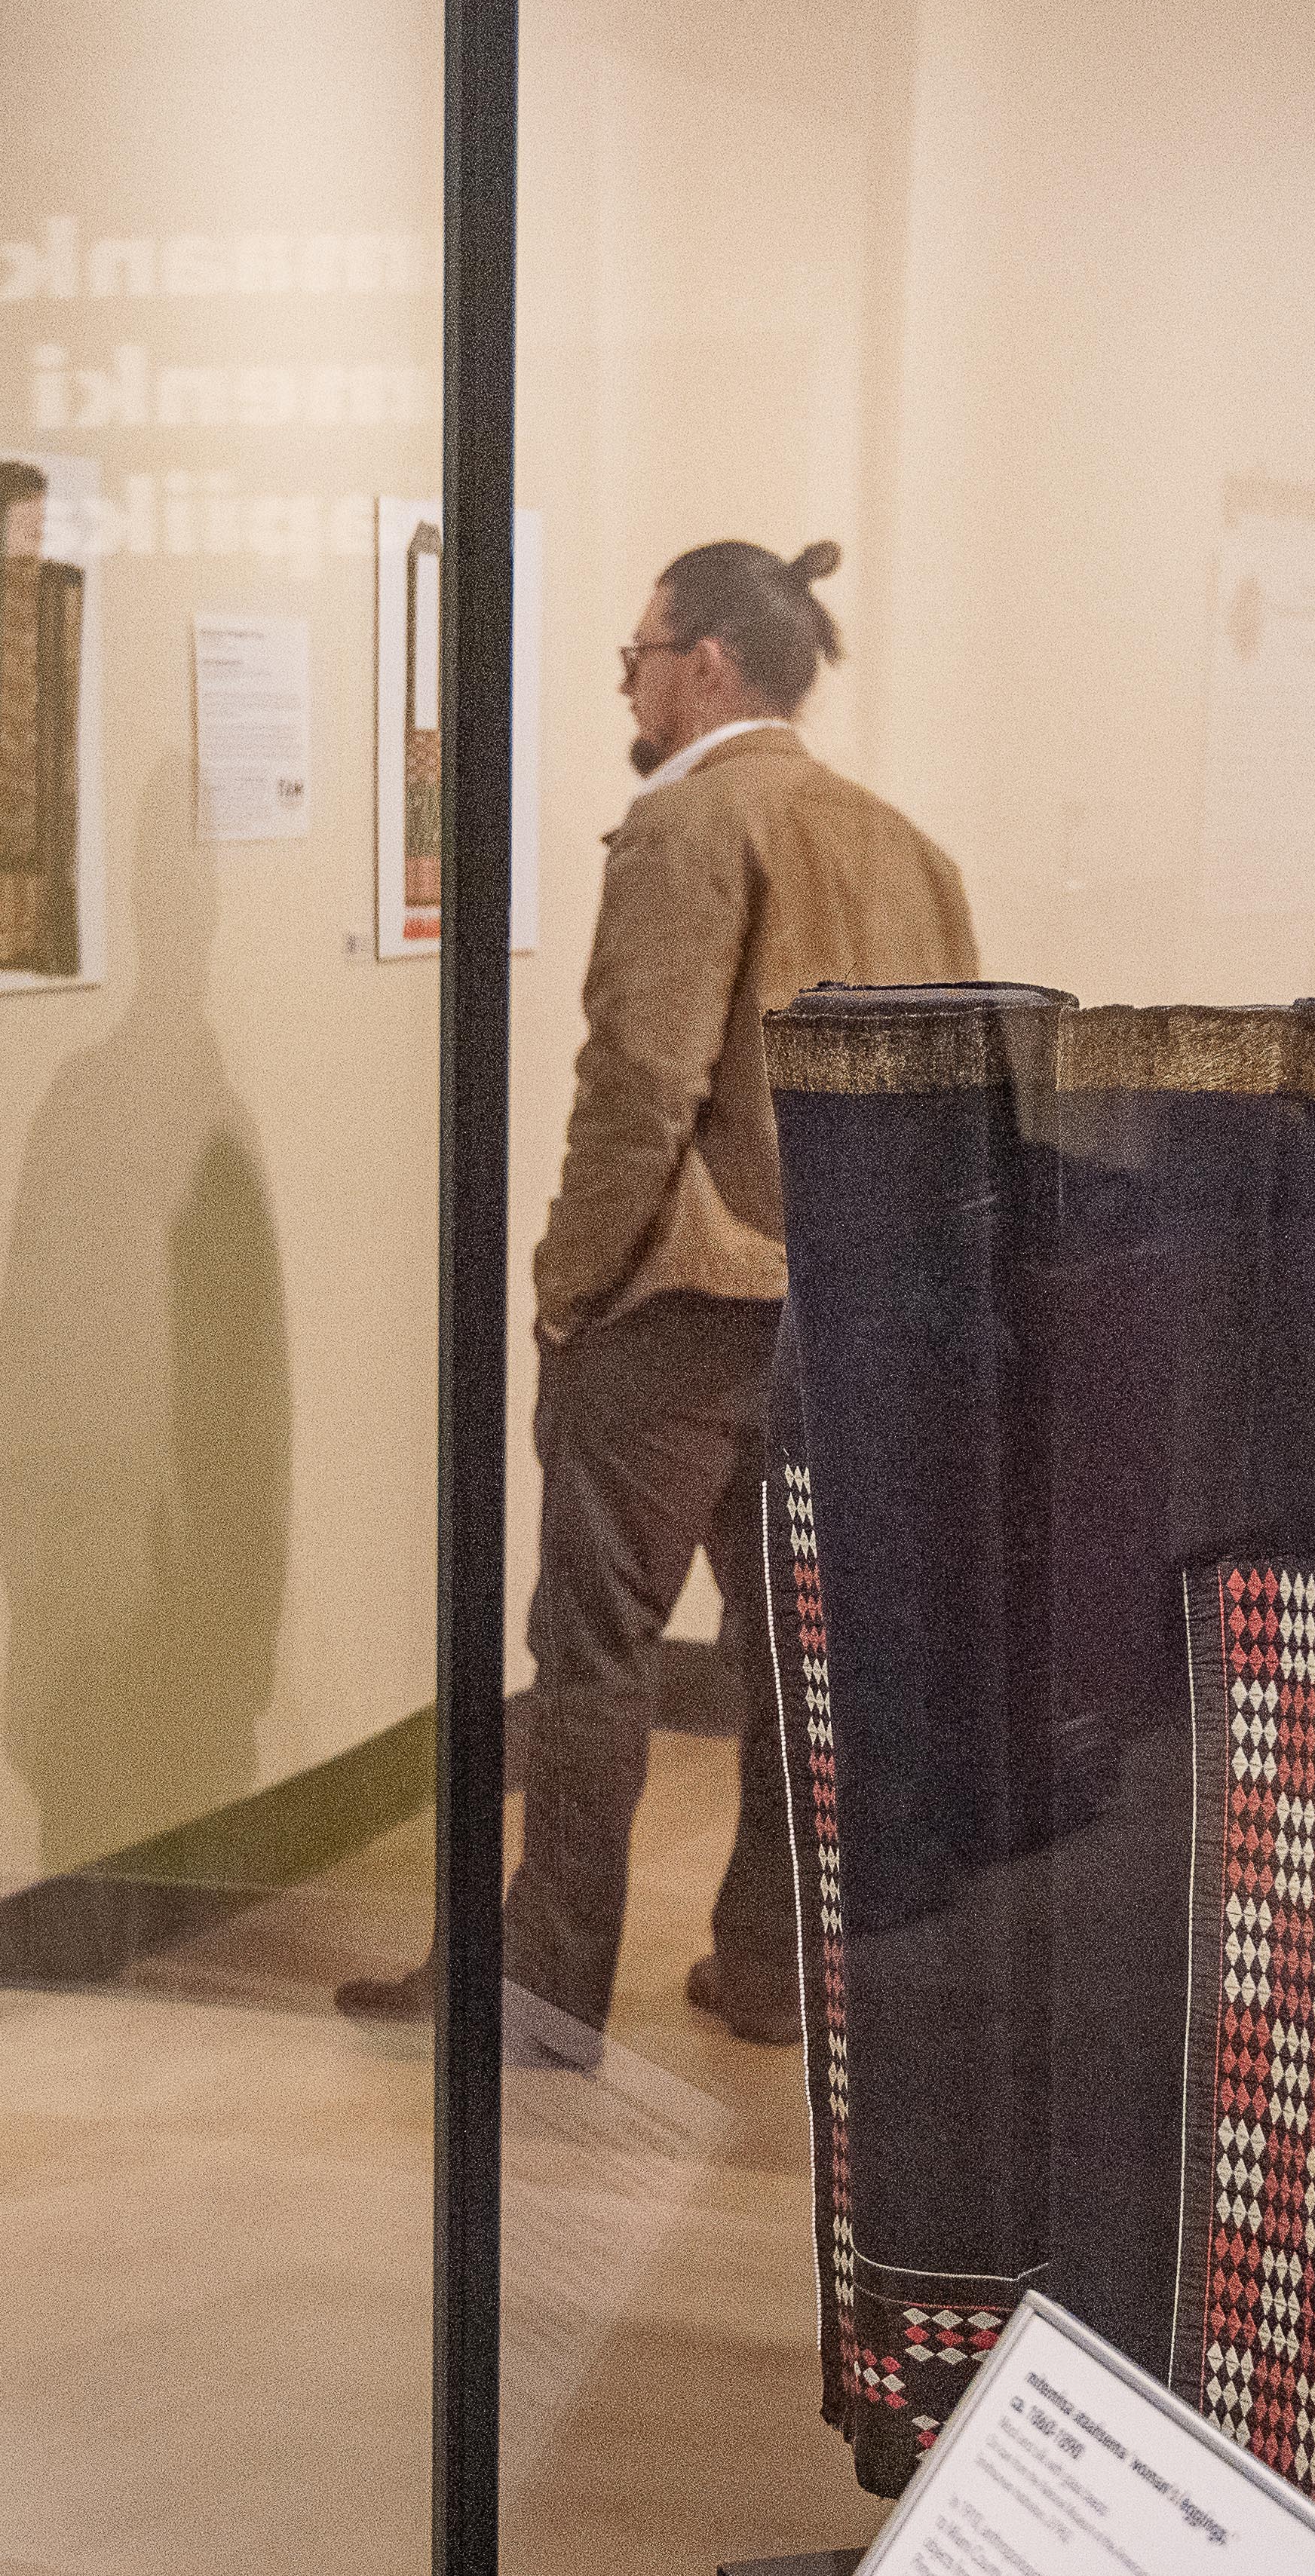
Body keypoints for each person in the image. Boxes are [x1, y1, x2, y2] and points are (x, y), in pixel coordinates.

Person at [340, 540, 976, 2062]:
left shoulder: (686, 823)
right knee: (795, 1665)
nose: (623, 682)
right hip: (847, 1321)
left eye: (633, 653)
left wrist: (566, 1286)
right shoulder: (905, 849)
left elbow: (638, 1084)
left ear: (701, 663)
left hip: (680, 1310)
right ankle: (766, 1967)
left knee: (592, 1655)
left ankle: (544, 1992)